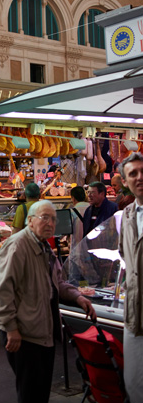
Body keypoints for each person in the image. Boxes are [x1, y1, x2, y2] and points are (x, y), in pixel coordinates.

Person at [0, 200, 96, 403]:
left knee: (40, 393)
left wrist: (78, 296)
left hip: (43, 333)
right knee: (30, 393)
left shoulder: (44, 246)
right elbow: (1, 292)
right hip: (24, 335)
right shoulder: (18, 245)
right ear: (30, 221)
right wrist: (10, 328)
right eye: (44, 217)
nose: (50, 223)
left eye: (53, 219)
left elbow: (58, 282)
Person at [119, 152, 143, 403]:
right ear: (125, 181)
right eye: (133, 174)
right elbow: (124, 254)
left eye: (142, 172)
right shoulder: (126, 215)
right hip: (134, 314)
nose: (139, 177)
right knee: (134, 382)